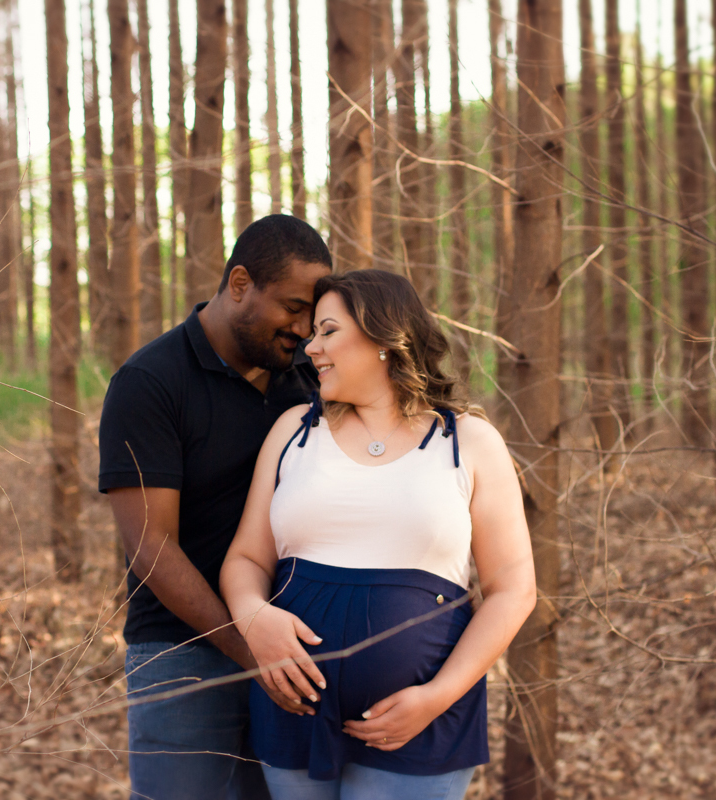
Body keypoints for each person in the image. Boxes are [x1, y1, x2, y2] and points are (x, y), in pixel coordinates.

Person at [220, 269, 537, 800]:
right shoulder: (295, 432)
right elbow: (246, 560)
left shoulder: (468, 442)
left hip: (418, 724)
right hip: (294, 711)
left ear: (384, 339)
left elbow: (514, 590)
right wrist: (254, 619)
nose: (310, 348)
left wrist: (437, 696)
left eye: (327, 331)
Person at [98, 215, 334, 800]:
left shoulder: (312, 379)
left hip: (295, 653)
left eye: (315, 313)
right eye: (292, 307)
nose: (304, 329)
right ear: (238, 284)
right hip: (183, 655)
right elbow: (152, 549)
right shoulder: (150, 383)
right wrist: (250, 645)